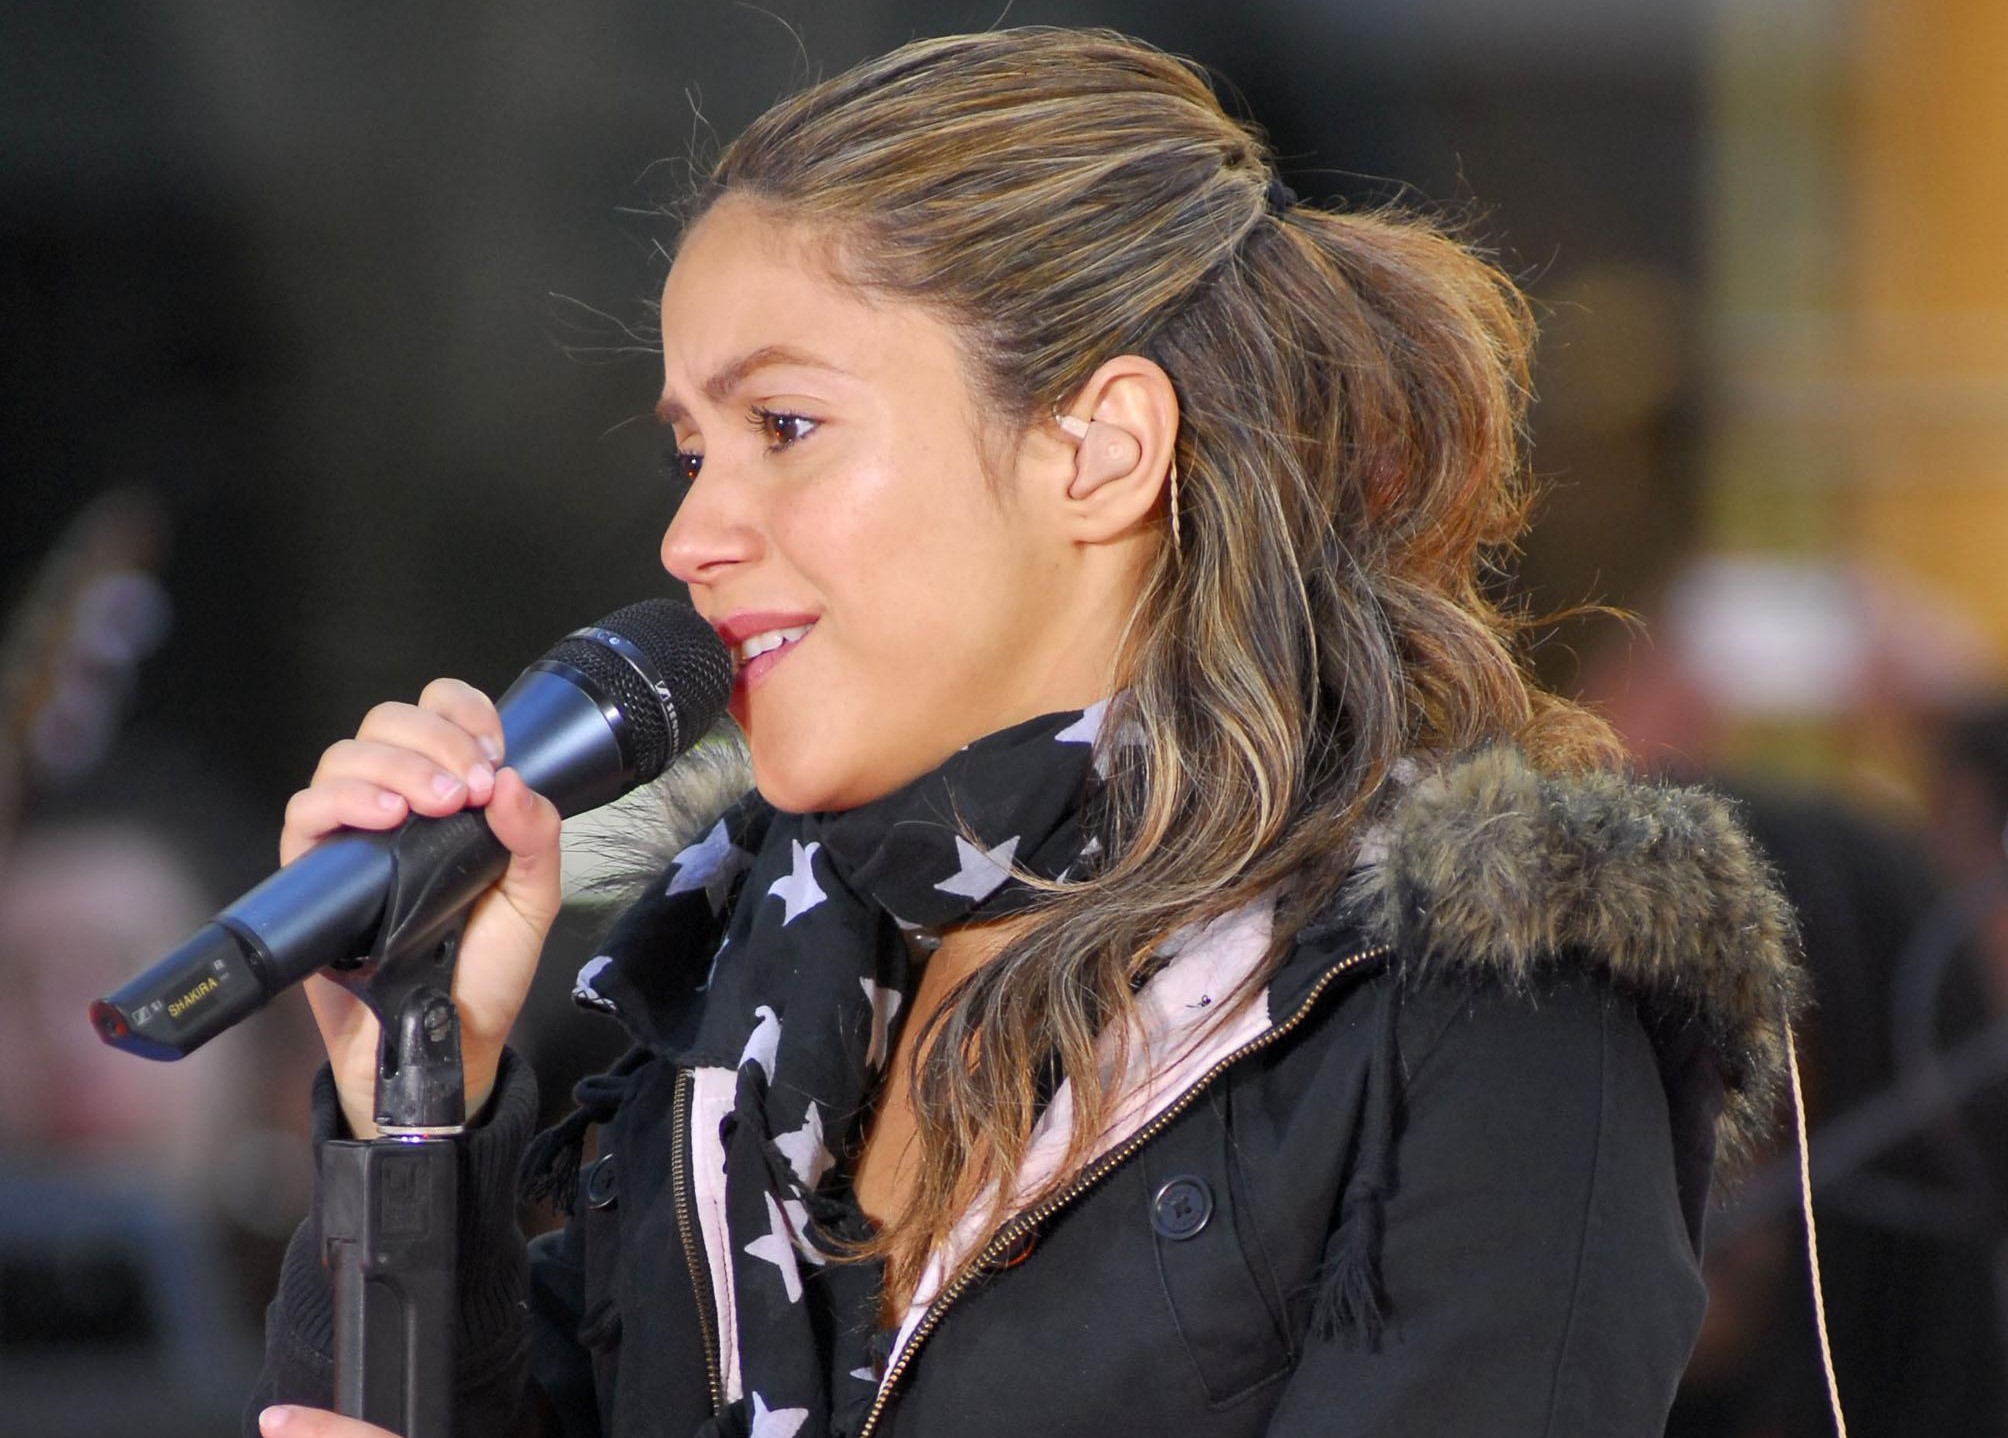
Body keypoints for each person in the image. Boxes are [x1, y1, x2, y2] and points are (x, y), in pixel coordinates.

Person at [250, 27, 1803, 1438]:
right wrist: (416, 1101)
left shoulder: (1480, 1004)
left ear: (1099, 449)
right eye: (691, 449)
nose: (696, 533)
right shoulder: (737, 992)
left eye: (784, 427)